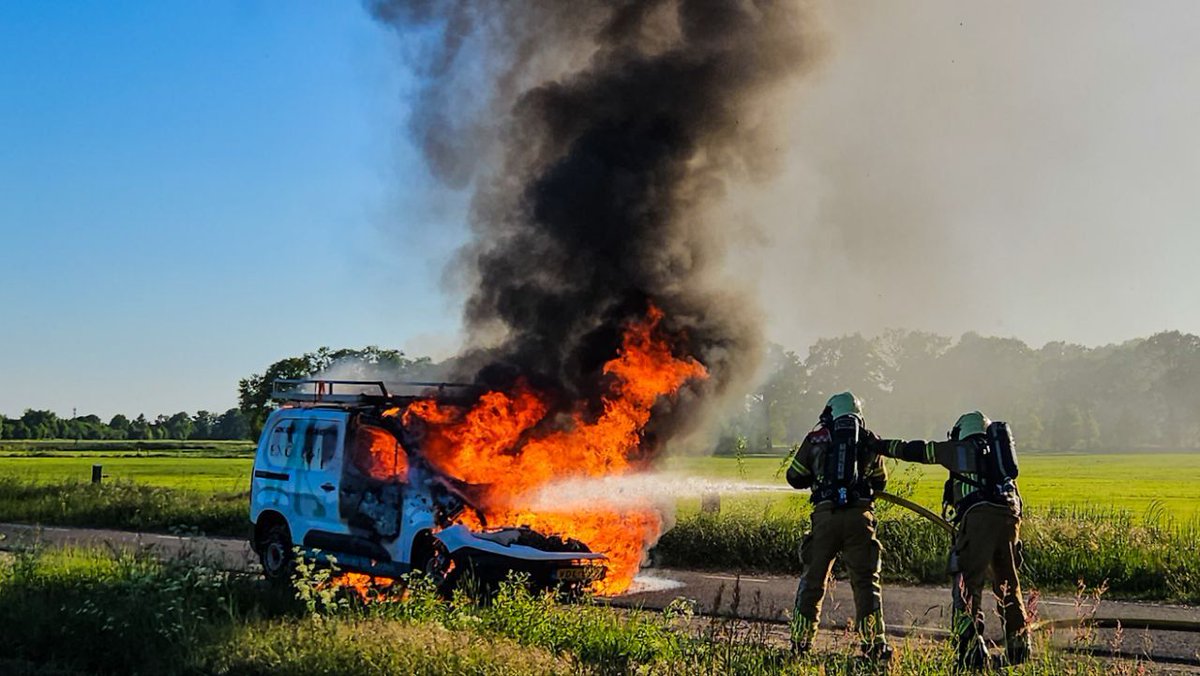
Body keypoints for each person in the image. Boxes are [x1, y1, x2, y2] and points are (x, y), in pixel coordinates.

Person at [871, 411, 1029, 668]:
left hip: (978, 519)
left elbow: (917, 451)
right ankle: (1020, 647)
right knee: (1008, 585)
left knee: (967, 585)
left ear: (962, 431)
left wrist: (879, 446)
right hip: (1010, 520)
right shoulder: (1001, 462)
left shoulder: (959, 449)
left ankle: (971, 651)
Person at [786, 391, 892, 662]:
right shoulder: (869, 440)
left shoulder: (816, 438)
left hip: (826, 517)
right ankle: (874, 644)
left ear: (830, 413)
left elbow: (794, 476)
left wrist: (819, 475)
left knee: (813, 581)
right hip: (860, 519)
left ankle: (801, 644)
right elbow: (880, 481)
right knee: (866, 582)